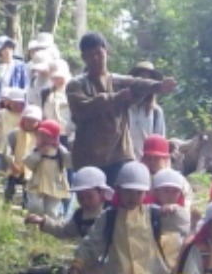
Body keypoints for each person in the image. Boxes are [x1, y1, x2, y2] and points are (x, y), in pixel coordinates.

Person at [66, 32, 176, 184]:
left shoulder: (117, 80)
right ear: (84, 58)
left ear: (107, 52)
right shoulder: (75, 85)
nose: (96, 59)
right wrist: (115, 98)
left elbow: (139, 83)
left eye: (99, 53)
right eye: (90, 55)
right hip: (89, 157)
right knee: (92, 203)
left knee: (120, 201)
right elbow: (83, 109)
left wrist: (160, 86)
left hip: (119, 154)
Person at [30, 166, 113, 274]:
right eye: (81, 197)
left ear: (102, 193)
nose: (85, 201)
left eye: (89, 196)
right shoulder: (80, 216)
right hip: (90, 268)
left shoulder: (112, 214)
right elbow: (65, 230)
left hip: (114, 268)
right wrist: (44, 222)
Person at [26, 119, 71, 220]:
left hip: (55, 184)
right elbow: (28, 163)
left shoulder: (60, 151)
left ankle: (48, 229)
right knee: (35, 206)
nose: (44, 139)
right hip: (37, 182)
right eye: (42, 135)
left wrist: (70, 153)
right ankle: (32, 226)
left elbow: (69, 163)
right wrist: (39, 154)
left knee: (51, 210)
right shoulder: (36, 149)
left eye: (48, 136)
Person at [126, 66, 168, 160]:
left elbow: (159, 142)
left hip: (147, 163)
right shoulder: (123, 107)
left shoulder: (156, 112)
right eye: (141, 79)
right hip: (124, 161)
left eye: (149, 80)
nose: (145, 84)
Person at [150, 166, 194, 236]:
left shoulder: (184, 209)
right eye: (166, 191)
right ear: (155, 192)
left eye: (175, 191)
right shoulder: (145, 207)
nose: (170, 195)